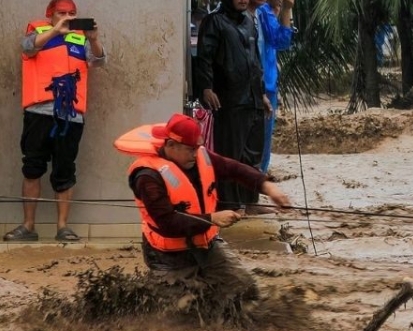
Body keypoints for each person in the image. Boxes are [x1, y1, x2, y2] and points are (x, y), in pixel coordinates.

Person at [115, 113, 291, 312]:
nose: (195, 154)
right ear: (171, 145)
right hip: (167, 255)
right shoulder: (147, 177)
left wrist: (267, 187)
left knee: (245, 290)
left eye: (197, 148)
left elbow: (233, 168)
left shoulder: (198, 157)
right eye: (190, 149)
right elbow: (167, 222)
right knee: (184, 311)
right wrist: (212, 219)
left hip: (205, 245)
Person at [4, 0, 107, 243]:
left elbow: (100, 61)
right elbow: (27, 48)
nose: (67, 17)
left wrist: (94, 40)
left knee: (64, 170)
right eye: (62, 12)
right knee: (32, 168)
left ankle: (63, 227)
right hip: (39, 113)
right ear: (50, 14)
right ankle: (28, 226)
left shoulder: (80, 38)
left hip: (70, 116)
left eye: (72, 13)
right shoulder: (37, 33)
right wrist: (54, 32)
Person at [192, 0, 267, 210]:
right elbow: (204, 57)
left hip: (253, 98)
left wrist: (262, 94)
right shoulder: (214, 21)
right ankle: (228, 204)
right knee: (230, 155)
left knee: (253, 155)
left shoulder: (248, 21)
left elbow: (255, 61)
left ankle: (249, 200)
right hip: (230, 99)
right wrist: (206, 87)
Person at [244, 0, 295, 174]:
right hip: (264, 85)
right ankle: (258, 181)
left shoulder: (261, 13)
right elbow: (281, 40)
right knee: (262, 140)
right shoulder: (264, 12)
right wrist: (286, 12)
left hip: (265, 83)